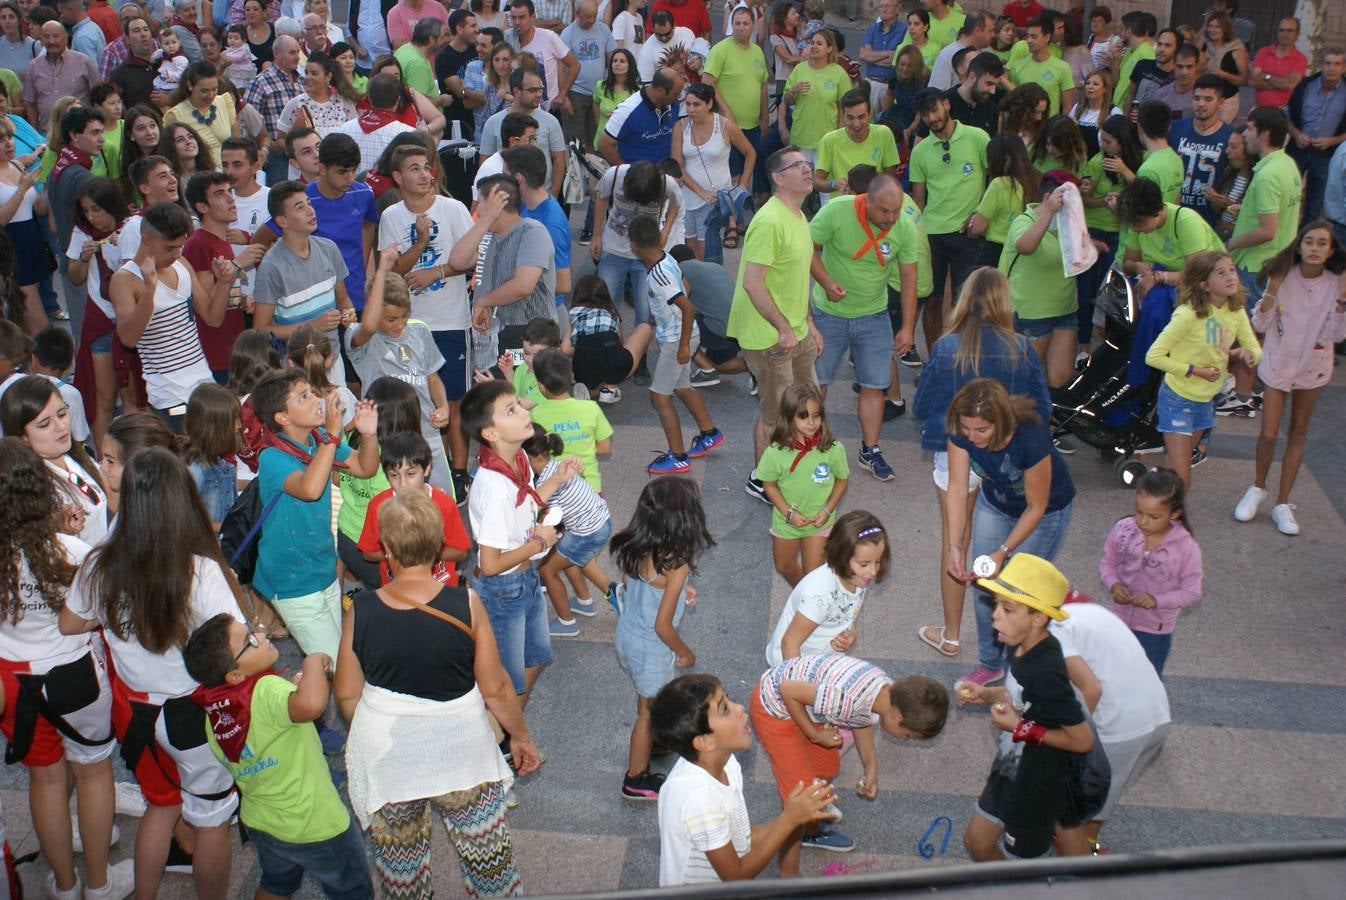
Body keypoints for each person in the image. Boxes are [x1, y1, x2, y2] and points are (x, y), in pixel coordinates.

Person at [334, 490, 540, 895]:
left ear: (387, 548)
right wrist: (521, 736)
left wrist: (388, 726)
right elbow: (496, 689)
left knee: (402, 875)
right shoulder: (466, 603)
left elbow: (345, 695)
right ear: (439, 546)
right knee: (490, 866)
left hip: (389, 761)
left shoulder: (361, 610)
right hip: (463, 753)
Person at [59, 447, 242, 900]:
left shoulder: (99, 563)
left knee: (161, 808)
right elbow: (235, 645)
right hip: (190, 717)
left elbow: (69, 622)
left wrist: (108, 616)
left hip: (136, 714)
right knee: (211, 818)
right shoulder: (198, 571)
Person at [0, 437, 132, 900]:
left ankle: (62, 884)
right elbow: (106, 610)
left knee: (45, 779)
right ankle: (99, 882)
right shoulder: (71, 553)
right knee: (94, 772)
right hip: (76, 677)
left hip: (14, 683)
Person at [183, 614, 375, 898]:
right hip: (315, 822)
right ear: (235, 674)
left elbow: (264, 722)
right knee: (353, 889)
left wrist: (295, 688)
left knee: (277, 882)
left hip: (263, 822)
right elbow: (310, 705)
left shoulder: (216, 714)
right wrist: (313, 663)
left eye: (251, 630)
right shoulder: (267, 691)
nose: (260, 637)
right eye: (249, 640)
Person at [913, 267, 1049, 661]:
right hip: (1006, 454)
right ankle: (1009, 635)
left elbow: (922, 405)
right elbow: (1042, 408)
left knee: (955, 542)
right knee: (1003, 546)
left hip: (954, 453)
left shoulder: (946, 347)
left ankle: (951, 635)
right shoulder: (1021, 347)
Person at [959, 554, 1106, 862]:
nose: (995, 616)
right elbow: (1023, 696)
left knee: (1023, 868)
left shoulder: (1047, 671)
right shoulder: (1029, 647)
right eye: (996, 605)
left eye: (1007, 609)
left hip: (1036, 783)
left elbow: (1082, 740)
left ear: (1038, 617)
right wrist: (987, 694)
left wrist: (1019, 727)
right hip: (1012, 766)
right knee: (977, 842)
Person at [752, 653, 947, 871]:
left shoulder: (885, 692)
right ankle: (788, 873)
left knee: (827, 768)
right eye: (909, 736)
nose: (907, 741)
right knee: (801, 797)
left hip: (807, 707)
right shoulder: (845, 698)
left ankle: (811, 832)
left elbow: (859, 719)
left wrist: (870, 767)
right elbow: (787, 689)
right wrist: (815, 736)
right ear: (897, 717)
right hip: (774, 709)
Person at [943, 377, 1075, 688]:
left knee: (1020, 595)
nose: (972, 437)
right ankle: (991, 665)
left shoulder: (1030, 438)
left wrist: (1003, 551)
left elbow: (1036, 507)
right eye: (967, 429)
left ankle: (1021, 669)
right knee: (984, 585)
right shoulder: (961, 432)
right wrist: (954, 547)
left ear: (1000, 423)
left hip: (1045, 513)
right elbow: (958, 489)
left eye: (982, 430)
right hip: (996, 503)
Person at [652, 673, 835, 885]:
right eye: (725, 709)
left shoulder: (727, 763)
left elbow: (739, 839)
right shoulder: (699, 799)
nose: (739, 708)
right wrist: (789, 820)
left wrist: (796, 815)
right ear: (704, 743)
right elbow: (736, 876)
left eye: (728, 698)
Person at [251, 368, 381, 661]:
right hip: (292, 583)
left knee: (341, 659)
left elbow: (365, 467)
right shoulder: (272, 458)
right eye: (303, 397)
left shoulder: (316, 439)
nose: (315, 400)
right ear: (281, 417)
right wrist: (333, 436)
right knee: (335, 664)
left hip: (322, 568)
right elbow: (310, 488)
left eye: (311, 392)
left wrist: (369, 435)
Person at [1233, 222, 1346, 536]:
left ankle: (1283, 503)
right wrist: (1271, 290)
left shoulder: (1336, 283)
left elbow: (1339, 333)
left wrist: (1343, 300)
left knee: (1298, 429)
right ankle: (1257, 487)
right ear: (1298, 246)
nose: (1314, 248)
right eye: (1308, 241)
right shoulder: (1283, 276)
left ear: (1331, 250)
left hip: (1313, 365)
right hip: (1278, 362)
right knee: (1268, 433)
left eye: (1322, 243)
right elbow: (1260, 322)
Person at [610, 475, 713, 800]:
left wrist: (679, 592)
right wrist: (685, 652)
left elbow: (636, 582)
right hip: (651, 648)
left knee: (648, 701)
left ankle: (654, 738)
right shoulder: (676, 564)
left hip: (628, 634)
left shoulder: (638, 545)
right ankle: (635, 777)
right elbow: (663, 626)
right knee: (647, 713)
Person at [808, 175, 916, 480]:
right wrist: (826, 283)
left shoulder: (903, 226)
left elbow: (909, 278)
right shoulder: (836, 211)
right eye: (884, 211)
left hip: (874, 316)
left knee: (874, 385)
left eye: (896, 210)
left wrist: (907, 327)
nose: (891, 218)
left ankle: (870, 450)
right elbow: (806, 247)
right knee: (818, 383)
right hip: (829, 314)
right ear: (866, 201)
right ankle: (810, 446)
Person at [727, 147, 820, 501]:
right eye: (798, 166)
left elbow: (793, 278)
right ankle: (763, 480)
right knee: (775, 413)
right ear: (779, 177)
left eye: (807, 165)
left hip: (793, 329)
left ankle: (794, 468)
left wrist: (808, 322)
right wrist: (783, 327)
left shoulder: (798, 215)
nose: (807, 170)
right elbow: (753, 282)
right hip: (768, 335)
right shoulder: (769, 221)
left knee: (806, 403)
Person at [108, 201, 232, 432]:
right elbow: (128, 339)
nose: (176, 254)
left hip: (204, 386)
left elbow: (212, 318)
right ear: (146, 239)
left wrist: (224, 283)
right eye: (169, 248)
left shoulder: (182, 263)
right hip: (170, 400)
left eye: (180, 246)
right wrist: (149, 290)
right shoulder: (124, 280)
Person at [1145, 251, 1262, 488]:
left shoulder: (1236, 311)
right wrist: (1194, 370)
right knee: (1182, 477)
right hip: (1177, 399)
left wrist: (1247, 355)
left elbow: (1255, 351)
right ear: (1204, 284)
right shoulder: (1187, 315)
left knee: (1174, 468)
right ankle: (1171, 519)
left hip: (1205, 401)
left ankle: (1155, 505)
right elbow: (1153, 356)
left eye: (1232, 270)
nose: (1231, 276)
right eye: (1221, 273)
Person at [625, 214, 724, 474]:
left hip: (676, 340)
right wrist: (665, 314)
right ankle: (709, 433)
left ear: (633, 244)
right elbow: (686, 287)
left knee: (659, 396)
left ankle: (678, 456)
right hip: (684, 334)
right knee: (682, 386)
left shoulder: (657, 274)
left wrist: (681, 346)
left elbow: (688, 308)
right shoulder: (666, 258)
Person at [1225, 107, 1303, 415]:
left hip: (1257, 265)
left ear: (1265, 134)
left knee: (1248, 332)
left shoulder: (1269, 174)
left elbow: (1267, 230)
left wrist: (1231, 242)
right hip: (1273, 264)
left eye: (1249, 129)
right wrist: (1241, 210)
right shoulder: (1287, 165)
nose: (1244, 135)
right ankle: (1240, 391)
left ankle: (1242, 396)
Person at [1097, 465, 1203, 680]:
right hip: (1117, 619)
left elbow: (1192, 591)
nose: (1144, 521)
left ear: (1174, 514)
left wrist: (1157, 600)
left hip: (1155, 630)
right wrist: (1114, 585)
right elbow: (1107, 563)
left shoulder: (1185, 547)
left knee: (1146, 681)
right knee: (1111, 676)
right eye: (1139, 512)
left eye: (1154, 516)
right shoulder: (1124, 530)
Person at [909, 88, 990, 358]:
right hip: (932, 233)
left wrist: (982, 214)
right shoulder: (920, 152)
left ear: (946, 105)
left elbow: (993, 181)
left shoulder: (977, 137)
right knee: (932, 302)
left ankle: (962, 360)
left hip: (968, 234)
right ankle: (935, 361)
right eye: (925, 114)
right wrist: (912, 234)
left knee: (964, 302)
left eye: (934, 110)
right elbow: (918, 201)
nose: (932, 118)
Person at [252, 181, 355, 386]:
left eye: (309, 203)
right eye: (300, 208)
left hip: (333, 361)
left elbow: (343, 298)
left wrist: (348, 315)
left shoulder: (329, 249)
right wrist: (313, 325)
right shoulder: (271, 267)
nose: (310, 211)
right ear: (282, 220)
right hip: (296, 369)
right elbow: (261, 329)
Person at [521, 421, 614, 635]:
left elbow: (544, 518)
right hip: (600, 520)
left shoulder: (546, 482)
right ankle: (584, 601)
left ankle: (566, 623)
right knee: (568, 556)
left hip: (587, 532)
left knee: (547, 570)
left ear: (525, 456)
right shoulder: (557, 466)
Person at [754, 381, 847, 586]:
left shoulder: (833, 449)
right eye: (803, 416)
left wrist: (827, 510)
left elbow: (842, 479)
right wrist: (789, 513)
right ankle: (803, 594)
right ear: (789, 417)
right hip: (786, 521)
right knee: (784, 566)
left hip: (819, 521)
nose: (812, 422)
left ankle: (808, 602)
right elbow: (769, 484)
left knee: (813, 574)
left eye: (816, 415)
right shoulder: (775, 452)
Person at [764, 511, 887, 667]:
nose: (873, 571)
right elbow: (789, 644)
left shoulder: (857, 577)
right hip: (794, 667)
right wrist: (797, 686)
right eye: (864, 564)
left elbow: (848, 612)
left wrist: (850, 633)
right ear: (841, 556)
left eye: (878, 561)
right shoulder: (820, 596)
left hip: (822, 661)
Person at [452, 176, 557, 353]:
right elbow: (457, 261)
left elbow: (522, 286)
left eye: (481, 203)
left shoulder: (532, 232)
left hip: (530, 338)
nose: (478, 209)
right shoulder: (486, 234)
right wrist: (485, 221)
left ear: (496, 204)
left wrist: (483, 302)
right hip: (491, 337)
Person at [355, 431, 469, 586]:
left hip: (440, 590)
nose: (403, 484)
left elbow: (460, 552)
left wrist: (420, 555)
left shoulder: (444, 504)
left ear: (427, 468)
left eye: (410, 474)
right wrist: (402, 553)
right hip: (397, 591)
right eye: (394, 475)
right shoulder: (379, 506)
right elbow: (368, 553)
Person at [1001, 170, 1081, 389]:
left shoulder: (1067, 225)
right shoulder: (1023, 221)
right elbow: (1025, 246)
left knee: (1061, 381)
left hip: (1064, 310)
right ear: (1049, 198)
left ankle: (1050, 420)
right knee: (1024, 381)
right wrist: (1048, 212)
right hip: (1031, 316)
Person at [181, 172, 254, 383]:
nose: (231, 198)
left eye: (230, 191)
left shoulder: (220, 241)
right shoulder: (198, 245)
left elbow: (222, 293)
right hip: (215, 357)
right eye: (220, 194)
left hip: (233, 351)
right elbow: (209, 315)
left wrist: (240, 299)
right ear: (202, 207)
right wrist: (237, 265)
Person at [670, 84, 755, 262]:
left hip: (714, 200)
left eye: (696, 104)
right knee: (688, 250)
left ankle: (710, 284)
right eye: (688, 104)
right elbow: (677, 165)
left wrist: (743, 186)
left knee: (707, 251)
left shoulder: (725, 125)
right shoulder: (681, 126)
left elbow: (750, 153)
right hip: (688, 197)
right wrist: (700, 191)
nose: (691, 109)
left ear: (709, 104)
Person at [48, 106, 104, 340]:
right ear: (74, 135)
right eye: (93, 133)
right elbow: (99, 222)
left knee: (83, 330)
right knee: (91, 333)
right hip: (83, 262)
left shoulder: (58, 168)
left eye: (101, 132)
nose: (100, 138)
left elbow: (52, 222)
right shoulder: (82, 176)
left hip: (66, 254)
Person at [702, 5, 767, 181]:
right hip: (726, 126)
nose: (741, 27)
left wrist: (765, 119)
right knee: (731, 176)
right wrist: (726, 111)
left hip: (752, 126)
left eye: (745, 23)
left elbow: (762, 85)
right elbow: (707, 82)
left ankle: (741, 206)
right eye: (737, 23)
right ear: (731, 25)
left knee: (748, 173)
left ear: (753, 25)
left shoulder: (758, 52)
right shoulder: (720, 50)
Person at [480, 67, 567, 195]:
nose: (538, 94)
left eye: (540, 89)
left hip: (540, 199)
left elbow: (559, 160)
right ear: (516, 91)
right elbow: (484, 161)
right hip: (505, 200)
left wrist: (553, 195)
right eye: (532, 90)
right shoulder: (493, 122)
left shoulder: (551, 121)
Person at [0, 117, 49, 333]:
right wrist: (21, 190)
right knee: (32, 306)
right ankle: (47, 360)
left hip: (31, 237)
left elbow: (39, 208)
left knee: (22, 309)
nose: (9, 143)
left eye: (9, 137)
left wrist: (49, 183)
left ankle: (23, 359)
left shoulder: (17, 165)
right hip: (11, 243)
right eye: (0, 140)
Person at [1286, 49, 1346, 225]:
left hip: (1327, 154)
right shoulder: (1306, 85)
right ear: (1321, 65)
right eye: (1328, 63)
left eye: (1337, 64)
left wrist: (1332, 141)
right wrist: (1296, 134)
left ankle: (1304, 241)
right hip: (1299, 148)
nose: (1331, 68)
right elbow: (1286, 115)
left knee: (1315, 203)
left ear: (1344, 68)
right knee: (1287, 195)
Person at [780, 29, 850, 165]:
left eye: (819, 43)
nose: (814, 46)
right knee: (801, 182)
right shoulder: (799, 69)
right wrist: (793, 91)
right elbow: (786, 101)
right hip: (801, 139)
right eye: (812, 43)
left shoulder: (839, 74)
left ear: (829, 49)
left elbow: (845, 109)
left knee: (822, 183)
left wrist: (840, 136)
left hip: (827, 141)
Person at [1169, 74, 1232, 226]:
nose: (1201, 104)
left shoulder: (1230, 136)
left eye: (1208, 99)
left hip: (1208, 219)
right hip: (1174, 214)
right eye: (1197, 98)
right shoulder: (1175, 128)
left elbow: (1234, 175)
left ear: (1221, 102)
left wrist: (1225, 199)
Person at [969, 133, 1036, 267]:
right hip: (1020, 254)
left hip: (995, 252)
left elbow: (977, 228)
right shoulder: (1031, 181)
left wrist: (973, 222)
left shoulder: (999, 185)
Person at [244, 33, 303, 183]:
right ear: (277, 54)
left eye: (298, 52)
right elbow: (248, 122)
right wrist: (268, 145)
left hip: (302, 154)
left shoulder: (302, 81)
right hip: (275, 156)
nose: (297, 57)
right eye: (292, 52)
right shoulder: (260, 82)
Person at [599, 65, 684, 165]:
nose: (678, 97)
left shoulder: (674, 104)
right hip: (639, 177)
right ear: (661, 90)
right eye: (675, 94)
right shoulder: (627, 111)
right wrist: (627, 172)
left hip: (666, 175)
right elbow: (605, 145)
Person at [559, 1, 613, 153]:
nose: (592, 20)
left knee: (595, 138)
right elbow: (561, 68)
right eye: (587, 16)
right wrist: (564, 97)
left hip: (599, 93)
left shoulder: (604, 29)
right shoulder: (568, 33)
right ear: (577, 14)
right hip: (576, 93)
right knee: (575, 142)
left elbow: (611, 58)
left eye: (594, 15)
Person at [508, 0, 579, 112]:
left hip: (548, 108)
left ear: (532, 17)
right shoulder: (508, 39)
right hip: (519, 108)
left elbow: (574, 65)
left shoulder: (548, 37)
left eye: (521, 17)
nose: (517, 22)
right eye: (514, 17)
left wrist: (562, 95)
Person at [277, 50, 360, 136]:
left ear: (328, 77)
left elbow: (355, 136)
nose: (308, 77)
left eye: (314, 73)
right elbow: (280, 140)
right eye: (306, 73)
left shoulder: (345, 105)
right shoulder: (296, 104)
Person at [1008, 15, 1074, 117]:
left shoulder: (1063, 68)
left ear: (1047, 37)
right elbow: (1014, 102)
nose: (1029, 41)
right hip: (1024, 127)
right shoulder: (1017, 66)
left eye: (1034, 37)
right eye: (1027, 36)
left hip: (1049, 128)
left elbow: (1067, 107)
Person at [1133, 99, 1182, 202]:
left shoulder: (1148, 171)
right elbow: (1177, 200)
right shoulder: (1176, 158)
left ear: (1140, 127)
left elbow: (1144, 214)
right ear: (1168, 127)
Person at [1201, 11, 1246, 125]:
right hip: (1205, 97)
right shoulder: (1205, 44)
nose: (1212, 30)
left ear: (1225, 28)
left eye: (1217, 27)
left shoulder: (1236, 49)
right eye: (1210, 26)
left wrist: (1223, 75)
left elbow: (1244, 79)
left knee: (1218, 131)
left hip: (1226, 101)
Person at [1251, 18, 1306, 109]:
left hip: (1283, 110)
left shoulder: (1300, 58)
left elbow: (1290, 85)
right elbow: (1252, 80)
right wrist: (1281, 84)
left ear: (1297, 34)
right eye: (1281, 30)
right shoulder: (1264, 52)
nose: (1284, 34)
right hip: (1259, 108)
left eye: (1290, 30)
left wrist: (1266, 76)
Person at [1121, 26, 1175, 111]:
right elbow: (1130, 95)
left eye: (1167, 46)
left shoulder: (1175, 77)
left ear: (1176, 49)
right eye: (1159, 44)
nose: (1161, 49)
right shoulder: (1143, 64)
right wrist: (1125, 119)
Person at [1112, 11, 1155, 109]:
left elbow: (1146, 90)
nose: (1119, 33)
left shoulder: (1147, 54)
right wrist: (1115, 60)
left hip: (1130, 112)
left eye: (1121, 29)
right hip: (1117, 109)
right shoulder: (1129, 51)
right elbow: (1115, 82)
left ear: (1129, 31)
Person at [636, 9, 693, 83]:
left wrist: (699, 59)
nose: (664, 38)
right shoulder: (647, 50)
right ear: (653, 29)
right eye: (659, 34)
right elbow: (646, 83)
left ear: (674, 26)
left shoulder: (687, 33)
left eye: (667, 34)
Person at [1152, 43, 1199, 119]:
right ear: (1173, 65)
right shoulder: (1161, 95)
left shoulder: (1204, 97)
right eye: (1180, 66)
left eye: (1189, 67)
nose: (1184, 72)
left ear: (1196, 67)